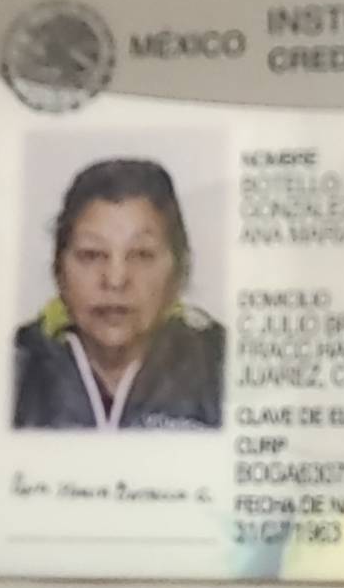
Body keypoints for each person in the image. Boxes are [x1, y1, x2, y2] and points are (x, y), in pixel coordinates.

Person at [14, 158, 225, 429]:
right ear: (59, 270)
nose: (115, 280)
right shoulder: (12, 368)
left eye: (141, 255)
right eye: (91, 255)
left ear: (179, 271)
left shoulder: (222, 368)